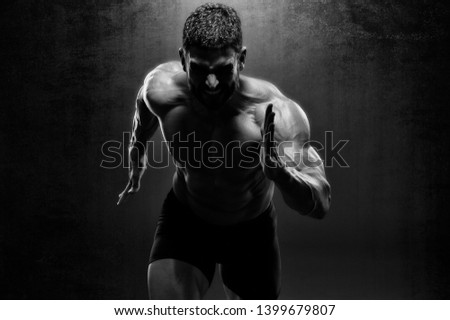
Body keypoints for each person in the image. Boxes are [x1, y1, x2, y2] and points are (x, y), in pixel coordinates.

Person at [117, 3, 331, 299]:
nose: (212, 83)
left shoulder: (276, 113)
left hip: (250, 232)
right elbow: (143, 118)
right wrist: (136, 158)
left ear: (241, 59)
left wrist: (281, 176)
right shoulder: (161, 90)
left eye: (223, 70)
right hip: (186, 221)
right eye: (200, 70)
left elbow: (320, 202)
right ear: (183, 59)